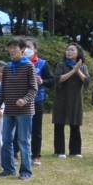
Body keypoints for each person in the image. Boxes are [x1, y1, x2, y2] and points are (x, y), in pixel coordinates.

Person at [0, 38, 38, 180]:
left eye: (15, 47)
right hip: (9, 110)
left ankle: (26, 172)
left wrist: (24, 100)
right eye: (10, 47)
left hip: (24, 111)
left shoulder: (29, 66)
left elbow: (33, 89)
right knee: (6, 140)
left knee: (23, 141)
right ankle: (8, 168)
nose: (12, 50)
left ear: (23, 49)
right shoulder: (7, 68)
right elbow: (3, 90)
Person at [51, 43, 90, 158]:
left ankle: (75, 151)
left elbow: (87, 81)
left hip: (76, 99)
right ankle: (59, 150)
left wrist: (78, 70)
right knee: (59, 124)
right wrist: (72, 71)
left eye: (72, 50)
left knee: (75, 125)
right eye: (68, 50)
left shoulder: (83, 67)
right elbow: (58, 79)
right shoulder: (61, 65)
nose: (69, 52)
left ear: (78, 53)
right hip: (61, 98)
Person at [24, 38, 52, 166]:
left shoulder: (42, 64)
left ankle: (36, 155)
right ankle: (16, 155)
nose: (26, 49)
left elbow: (52, 81)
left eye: (29, 47)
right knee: (20, 128)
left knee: (36, 129)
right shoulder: (18, 62)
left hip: (37, 100)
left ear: (35, 49)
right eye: (24, 47)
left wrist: (43, 82)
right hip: (22, 100)